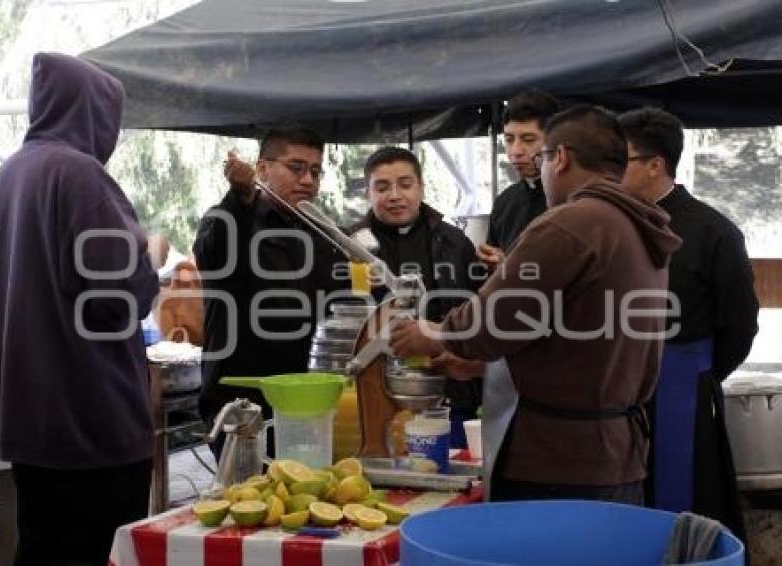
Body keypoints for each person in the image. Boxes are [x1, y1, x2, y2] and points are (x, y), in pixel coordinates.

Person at [390, 106, 681, 504]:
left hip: (556, 462)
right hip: (615, 455)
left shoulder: (571, 223)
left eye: (541, 155)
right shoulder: (636, 226)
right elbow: (579, 340)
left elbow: (488, 322)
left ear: (559, 158)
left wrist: (432, 333)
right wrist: (484, 364)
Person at [0, 52, 166, 565]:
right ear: (93, 112)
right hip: (89, 417)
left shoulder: (6, 177)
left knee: (42, 549)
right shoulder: (81, 176)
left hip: (31, 419)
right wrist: (151, 254)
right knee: (93, 551)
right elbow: (120, 294)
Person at [619, 107, 759, 539]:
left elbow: (739, 325)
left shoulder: (714, 231)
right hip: (614, 387)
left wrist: (696, 376)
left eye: (619, 160)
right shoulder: (609, 224)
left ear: (655, 165)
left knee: (682, 506)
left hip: (680, 389)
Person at [193, 128, 347, 437]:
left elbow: (338, 306)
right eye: (296, 168)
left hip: (306, 398)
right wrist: (240, 197)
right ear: (262, 169)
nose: (308, 181)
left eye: (315, 172)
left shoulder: (321, 234)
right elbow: (213, 254)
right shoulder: (228, 218)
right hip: (242, 404)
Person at [348, 146, 483, 446]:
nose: (395, 195)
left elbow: (479, 312)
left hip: (451, 394)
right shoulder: (350, 248)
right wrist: (349, 286)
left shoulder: (455, 243)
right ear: (368, 192)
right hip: (374, 398)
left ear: (421, 187)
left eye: (405, 184)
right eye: (382, 187)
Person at [476, 89, 561, 268]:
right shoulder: (504, 203)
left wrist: (508, 268)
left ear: (554, 140)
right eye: (509, 140)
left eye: (528, 140)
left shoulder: (571, 200)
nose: (516, 151)